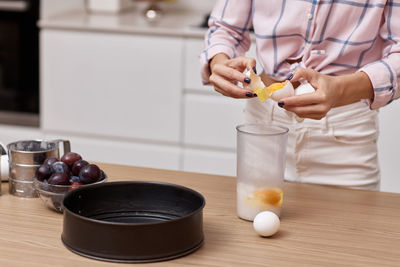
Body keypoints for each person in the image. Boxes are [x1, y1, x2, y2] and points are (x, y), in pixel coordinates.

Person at [200, 0, 400, 190]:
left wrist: (339, 89)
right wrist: (218, 62)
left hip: (346, 135)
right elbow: (225, 28)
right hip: (263, 126)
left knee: (350, 226)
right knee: (253, 220)